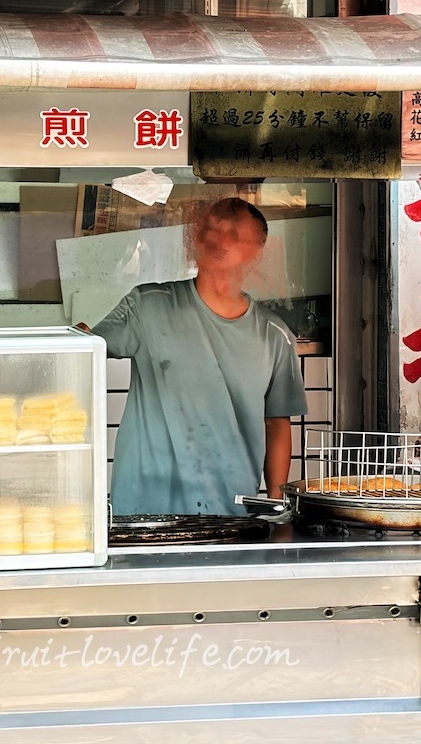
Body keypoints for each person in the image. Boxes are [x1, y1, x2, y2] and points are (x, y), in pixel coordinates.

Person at [87, 197, 307, 516]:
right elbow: (86, 349)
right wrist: (75, 339)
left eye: (233, 234)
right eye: (211, 229)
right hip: (141, 515)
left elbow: (277, 424)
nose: (219, 239)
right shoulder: (147, 305)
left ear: (257, 253)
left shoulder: (275, 335)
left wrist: (276, 504)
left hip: (228, 515)